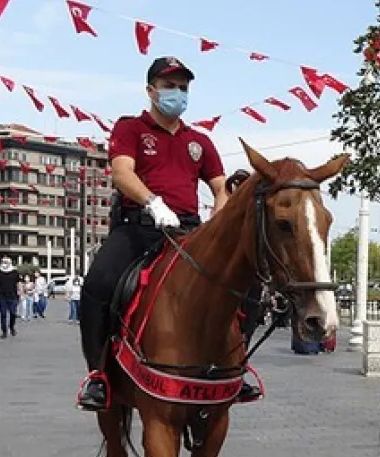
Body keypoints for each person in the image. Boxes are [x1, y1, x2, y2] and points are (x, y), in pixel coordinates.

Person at [77, 56, 259, 411]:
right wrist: (153, 203)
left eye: (182, 87)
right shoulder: (130, 129)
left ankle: (239, 367)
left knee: (249, 285)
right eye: (169, 86)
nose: (177, 93)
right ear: (151, 91)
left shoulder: (200, 141)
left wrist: (217, 223)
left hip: (189, 233)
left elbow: (221, 186)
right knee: (97, 285)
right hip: (141, 227)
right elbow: (121, 173)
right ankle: (98, 375)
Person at [0, 257, 22, 339]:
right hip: (1, 296)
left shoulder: (15, 272)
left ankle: (11, 326)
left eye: (6, 262)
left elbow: (19, 283)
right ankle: (4, 331)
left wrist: (20, 292)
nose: (4, 263)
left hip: (13, 296)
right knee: (3, 314)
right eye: (3, 262)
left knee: (13, 313)